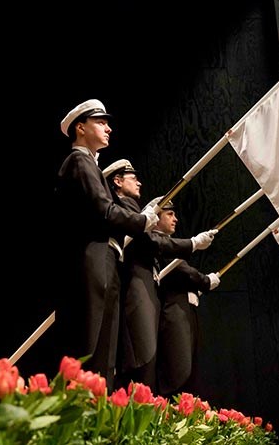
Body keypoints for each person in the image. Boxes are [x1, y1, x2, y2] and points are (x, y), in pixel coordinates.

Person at [51, 99, 159, 390]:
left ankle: (100, 415)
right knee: (92, 344)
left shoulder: (89, 163)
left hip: (105, 258)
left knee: (105, 350)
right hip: (93, 258)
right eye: (101, 122)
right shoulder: (79, 160)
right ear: (80, 127)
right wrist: (143, 221)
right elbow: (104, 211)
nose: (109, 128)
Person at [101, 160, 217, 391]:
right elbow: (152, 240)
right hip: (136, 292)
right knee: (142, 360)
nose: (139, 182)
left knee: (149, 362)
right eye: (133, 178)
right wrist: (193, 244)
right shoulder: (125, 208)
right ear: (117, 181)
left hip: (147, 293)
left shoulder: (132, 209)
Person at [153, 197, 221, 399]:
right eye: (169, 214)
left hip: (182, 309)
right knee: (178, 369)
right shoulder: (159, 242)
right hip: (172, 311)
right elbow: (181, 270)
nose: (175, 219)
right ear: (155, 219)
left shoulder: (168, 243)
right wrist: (204, 281)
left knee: (188, 367)